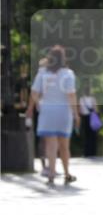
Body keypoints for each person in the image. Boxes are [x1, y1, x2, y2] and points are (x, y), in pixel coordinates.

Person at [25, 46, 80, 185]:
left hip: (47, 112)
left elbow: (34, 92)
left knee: (50, 145)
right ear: (63, 58)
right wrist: (76, 113)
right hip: (64, 112)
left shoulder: (42, 73)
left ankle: (51, 173)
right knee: (64, 145)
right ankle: (66, 173)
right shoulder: (68, 74)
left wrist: (36, 105)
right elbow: (71, 95)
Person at [78, 84, 99, 157]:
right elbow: (96, 109)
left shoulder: (81, 99)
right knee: (93, 136)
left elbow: (80, 110)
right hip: (92, 117)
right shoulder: (93, 99)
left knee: (86, 136)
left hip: (85, 117)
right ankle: (93, 152)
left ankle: (86, 153)